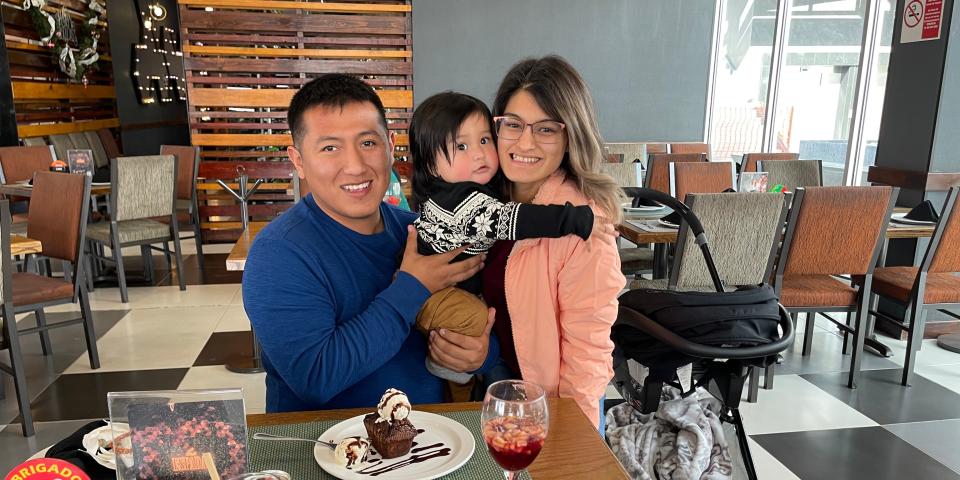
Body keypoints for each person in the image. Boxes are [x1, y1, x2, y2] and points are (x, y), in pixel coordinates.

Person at [242, 74, 499, 413]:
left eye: (368, 143)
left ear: (390, 146)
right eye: (330, 148)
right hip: (326, 449)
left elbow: (486, 328)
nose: (355, 166)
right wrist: (414, 287)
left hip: (433, 443)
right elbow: (316, 378)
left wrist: (480, 354)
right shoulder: (278, 255)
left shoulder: (420, 232)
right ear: (299, 161)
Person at [427, 56, 626, 429]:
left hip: (548, 413)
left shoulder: (583, 228)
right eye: (513, 125)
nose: (525, 142)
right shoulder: (487, 198)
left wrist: (571, 446)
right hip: (492, 399)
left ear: (570, 136)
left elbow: (588, 359)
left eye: (546, 129)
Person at [408, 91, 609, 385]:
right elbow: (515, 219)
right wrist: (575, 219)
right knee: (476, 317)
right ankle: (449, 371)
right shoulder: (462, 201)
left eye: (484, 140)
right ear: (431, 166)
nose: (478, 153)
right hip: (436, 297)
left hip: (541, 381)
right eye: (461, 146)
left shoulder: (477, 190)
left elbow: (589, 346)